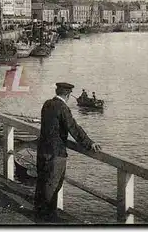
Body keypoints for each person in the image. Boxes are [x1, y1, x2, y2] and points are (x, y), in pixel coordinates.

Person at [34, 82, 102, 222]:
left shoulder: (47, 104)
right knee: (53, 184)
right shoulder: (63, 107)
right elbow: (73, 128)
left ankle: (39, 212)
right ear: (68, 94)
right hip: (56, 152)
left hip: (42, 149)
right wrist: (90, 143)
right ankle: (48, 217)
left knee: (42, 181)